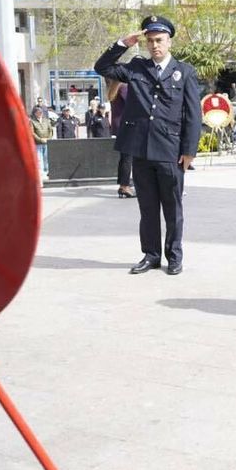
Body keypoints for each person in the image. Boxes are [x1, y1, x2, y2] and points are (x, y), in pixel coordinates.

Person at [93, 15, 201, 276]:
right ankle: (151, 255)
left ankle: (174, 256)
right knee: (148, 208)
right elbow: (102, 67)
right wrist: (123, 44)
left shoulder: (185, 72)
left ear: (169, 41)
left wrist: (189, 151)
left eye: (159, 40)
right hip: (141, 149)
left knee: (172, 208)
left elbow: (193, 115)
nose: (155, 45)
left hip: (170, 151)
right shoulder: (136, 68)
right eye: (150, 40)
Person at [29, 105, 53, 180]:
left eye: (41, 112)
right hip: (38, 143)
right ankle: (41, 173)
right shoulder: (32, 121)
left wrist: (48, 138)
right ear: (35, 113)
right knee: (39, 159)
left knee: (46, 158)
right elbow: (32, 133)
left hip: (47, 142)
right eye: (38, 112)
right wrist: (40, 139)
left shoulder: (46, 120)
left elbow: (50, 130)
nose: (40, 113)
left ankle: (47, 172)